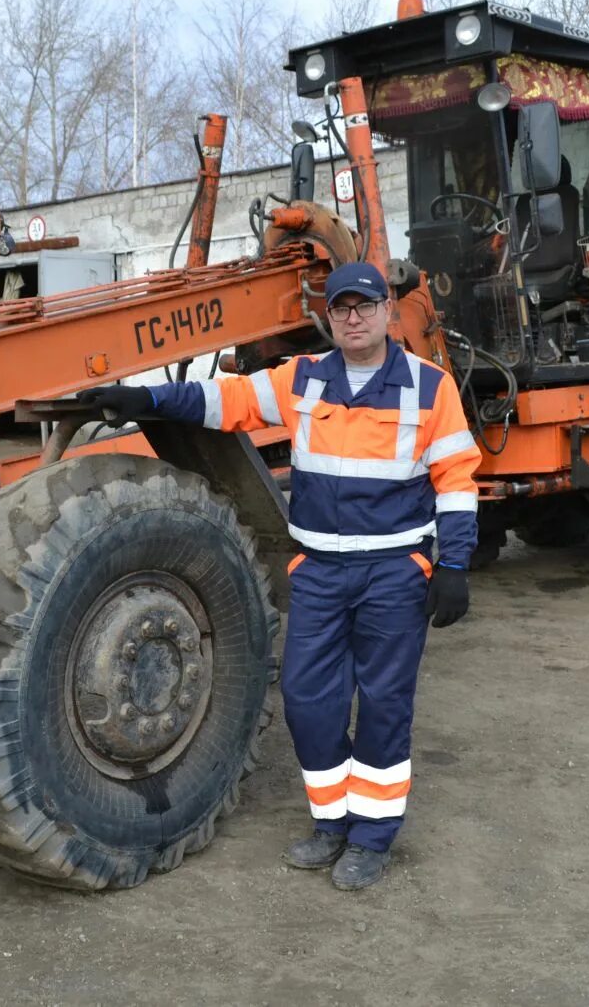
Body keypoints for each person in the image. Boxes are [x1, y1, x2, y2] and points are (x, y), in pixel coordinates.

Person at [79, 260, 481, 890]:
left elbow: (456, 482)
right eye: (341, 307)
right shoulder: (306, 379)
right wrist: (147, 398)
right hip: (319, 572)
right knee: (306, 701)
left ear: (386, 313)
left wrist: (453, 564)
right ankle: (332, 822)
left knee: (383, 705)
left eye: (364, 306)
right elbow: (227, 400)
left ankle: (371, 838)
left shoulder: (430, 388)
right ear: (329, 316)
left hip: (392, 573)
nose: (353, 317)